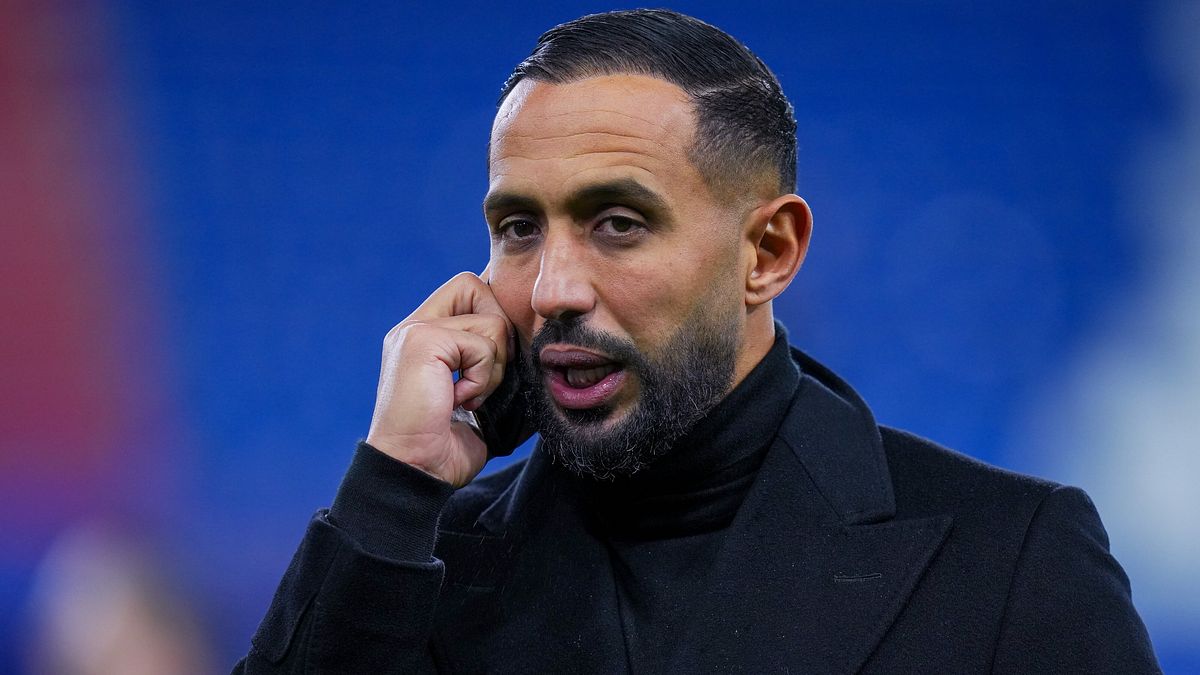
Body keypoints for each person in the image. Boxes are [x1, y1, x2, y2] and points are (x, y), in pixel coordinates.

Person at [235, 9, 1160, 673]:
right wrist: (395, 484)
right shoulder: (410, 564)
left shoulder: (1009, 558)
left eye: (618, 223)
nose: (553, 289)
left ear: (769, 251)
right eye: (519, 228)